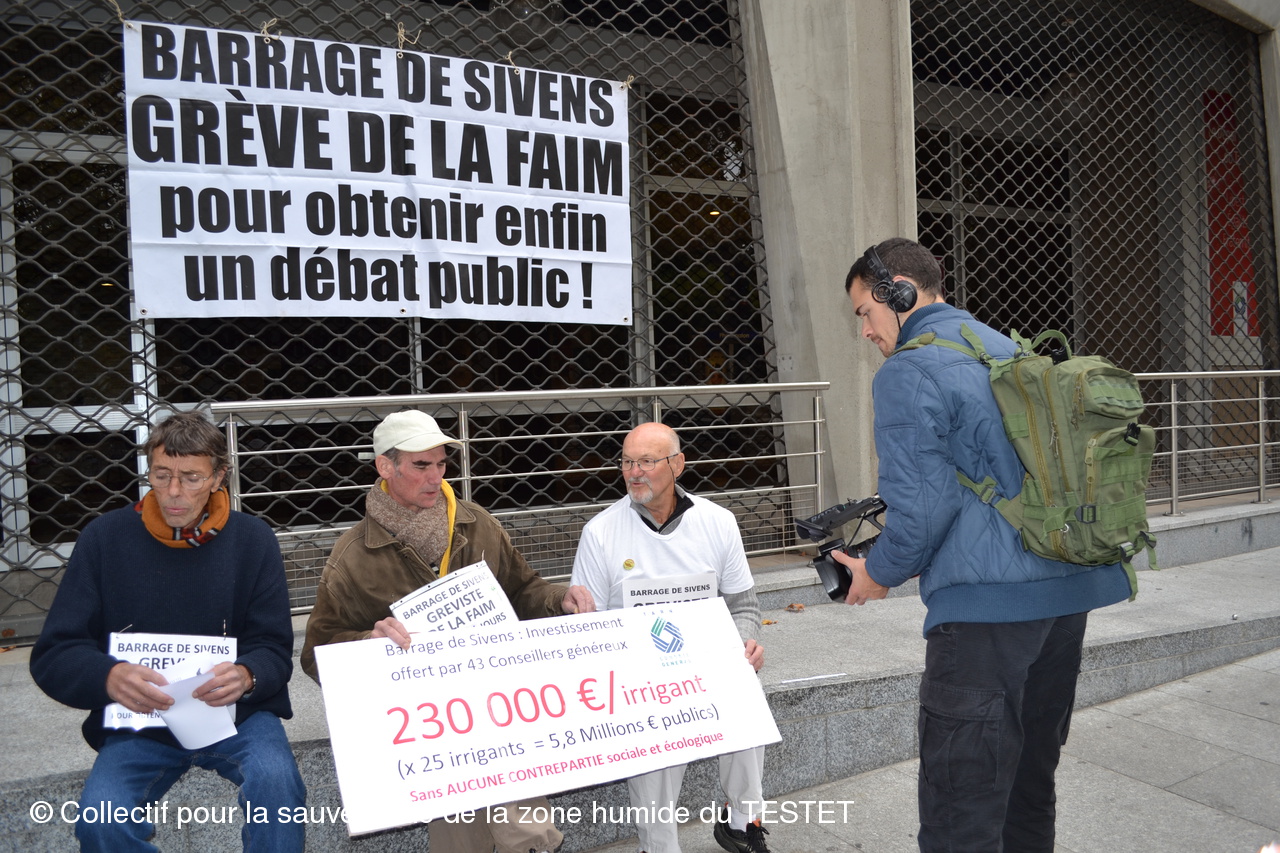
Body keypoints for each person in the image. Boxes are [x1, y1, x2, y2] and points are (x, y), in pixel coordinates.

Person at [833, 237, 1133, 852]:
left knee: (960, 805)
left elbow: (923, 512)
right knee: (1029, 785)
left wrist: (875, 572)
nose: (864, 331)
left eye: (865, 312)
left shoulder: (909, 370)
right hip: (1065, 596)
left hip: (986, 615)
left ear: (899, 293)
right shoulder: (1004, 346)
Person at [301, 409, 595, 853]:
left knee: (528, 831)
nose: (435, 476)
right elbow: (317, 653)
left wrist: (559, 600)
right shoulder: (353, 556)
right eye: (421, 465)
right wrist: (368, 643)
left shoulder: (478, 523)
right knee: (460, 840)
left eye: (441, 464)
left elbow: (522, 589)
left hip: (496, 704)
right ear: (385, 466)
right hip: (426, 723)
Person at [29, 410, 306, 853]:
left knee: (278, 787)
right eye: (162, 475)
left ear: (218, 477)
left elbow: (273, 645)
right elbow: (55, 652)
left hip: (236, 716)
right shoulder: (104, 538)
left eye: (191, 478)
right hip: (140, 722)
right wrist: (107, 676)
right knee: (101, 819)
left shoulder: (253, 540)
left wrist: (248, 675)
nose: (174, 491)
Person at [570, 422, 774, 853]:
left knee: (745, 691)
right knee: (654, 721)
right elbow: (586, 629)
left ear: (677, 464)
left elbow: (744, 606)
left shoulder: (718, 522)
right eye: (627, 462)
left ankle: (742, 823)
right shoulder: (601, 532)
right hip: (638, 673)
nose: (634, 472)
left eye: (647, 461)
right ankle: (658, 846)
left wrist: (745, 644)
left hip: (706, 662)